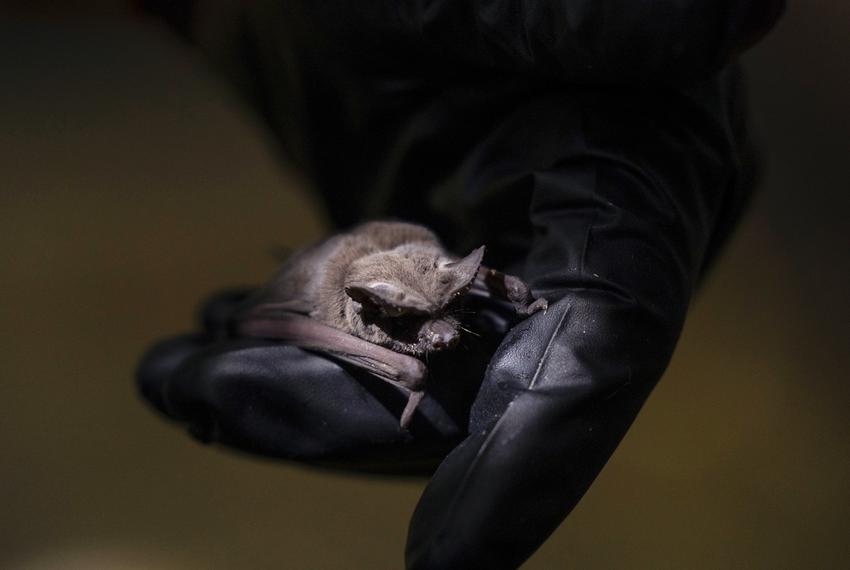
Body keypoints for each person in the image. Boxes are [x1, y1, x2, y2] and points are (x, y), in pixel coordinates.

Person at [137, 2, 785, 568]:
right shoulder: (369, 312)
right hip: (351, 293)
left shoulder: (455, 284)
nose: (443, 333)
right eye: (426, 327)